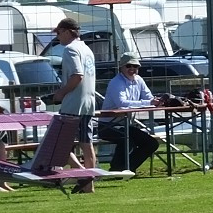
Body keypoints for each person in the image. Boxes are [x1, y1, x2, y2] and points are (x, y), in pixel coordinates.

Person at [51, 17, 98, 192]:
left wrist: (60, 93)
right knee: (87, 143)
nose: (57, 37)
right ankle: (88, 185)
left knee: (58, 144)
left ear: (67, 31)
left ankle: (81, 175)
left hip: (73, 103)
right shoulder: (86, 49)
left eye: (58, 32)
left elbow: (78, 75)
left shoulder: (70, 50)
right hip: (88, 102)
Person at [98, 52, 161, 172]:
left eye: (135, 66)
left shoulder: (139, 80)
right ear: (121, 67)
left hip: (125, 125)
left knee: (151, 143)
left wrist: (157, 101)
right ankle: (116, 169)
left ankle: (127, 169)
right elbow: (122, 103)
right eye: (128, 66)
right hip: (107, 126)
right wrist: (148, 103)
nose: (132, 69)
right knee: (127, 140)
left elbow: (149, 97)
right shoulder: (116, 82)